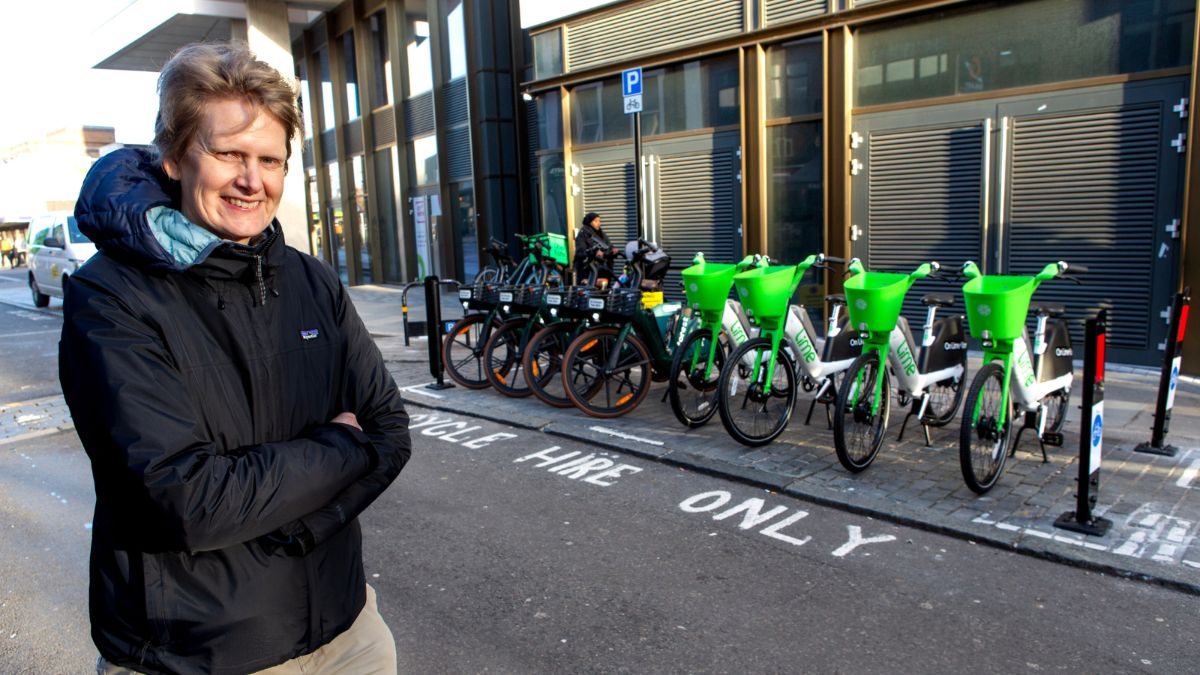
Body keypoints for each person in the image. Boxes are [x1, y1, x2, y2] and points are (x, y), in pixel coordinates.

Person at [60, 42, 411, 675]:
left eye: (270, 159)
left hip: (346, 629)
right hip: (198, 653)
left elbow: (388, 431)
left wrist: (300, 528)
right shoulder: (111, 297)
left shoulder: (312, 281)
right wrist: (340, 447)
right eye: (228, 154)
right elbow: (184, 499)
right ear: (173, 157)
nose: (253, 180)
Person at [573, 211, 618, 285]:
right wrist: (594, 253)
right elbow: (580, 251)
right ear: (589, 222)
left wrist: (613, 250)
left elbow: (608, 245)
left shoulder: (601, 233)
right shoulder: (583, 234)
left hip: (602, 270)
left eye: (599, 221)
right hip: (588, 271)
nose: (599, 223)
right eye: (595, 221)